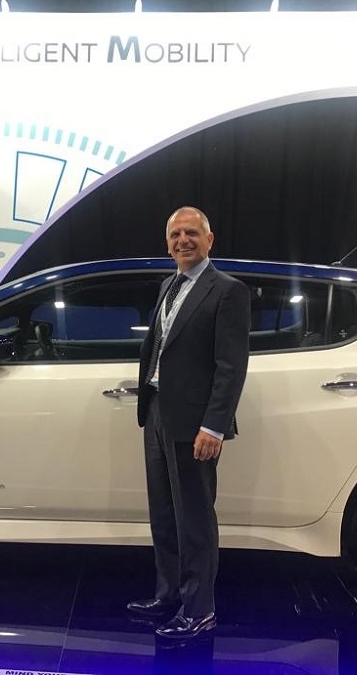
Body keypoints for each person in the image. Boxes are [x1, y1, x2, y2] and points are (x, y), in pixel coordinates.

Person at [127, 207, 250, 640]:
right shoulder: (169, 285)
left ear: (209, 240)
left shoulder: (228, 291)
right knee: (164, 514)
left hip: (195, 421)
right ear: (168, 244)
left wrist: (214, 426)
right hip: (158, 411)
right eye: (176, 234)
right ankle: (168, 595)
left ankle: (199, 609)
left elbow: (231, 367)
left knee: (194, 518)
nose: (183, 240)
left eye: (192, 233)